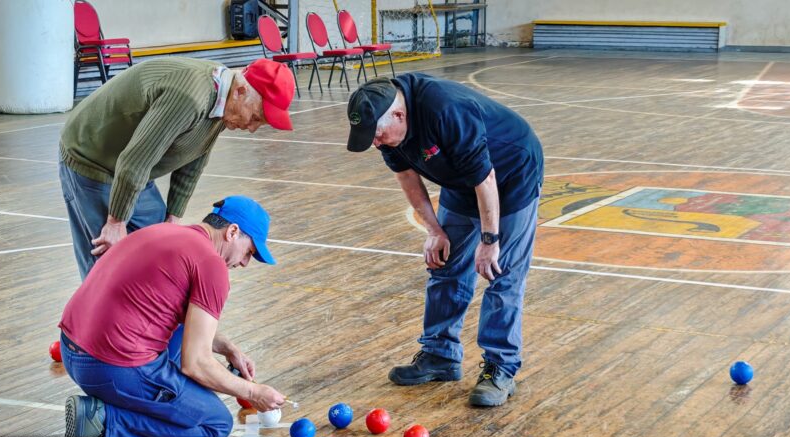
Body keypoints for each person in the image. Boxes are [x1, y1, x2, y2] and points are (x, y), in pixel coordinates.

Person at [345, 75, 544, 407]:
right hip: (463, 177)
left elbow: (487, 178)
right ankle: (440, 355)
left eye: (378, 135)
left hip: (511, 177)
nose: (376, 143)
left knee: (500, 272)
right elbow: (407, 177)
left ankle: (500, 368)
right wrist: (434, 230)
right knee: (445, 262)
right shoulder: (388, 131)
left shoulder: (445, 111)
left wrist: (490, 239)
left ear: (398, 115)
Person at [58, 196, 285, 437]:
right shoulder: (211, 265)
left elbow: (170, 313)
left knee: (180, 338)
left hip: (71, 349)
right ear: (232, 232)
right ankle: (102, 422)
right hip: (107, 368)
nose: (246, 263)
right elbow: (196, 364)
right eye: (249, 252)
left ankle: (157, 395)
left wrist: (228, 348)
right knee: (215, 425)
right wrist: (252, 393)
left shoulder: (164, 231)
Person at [59, 57, 296, 279]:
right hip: (93, 156)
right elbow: (135, 161)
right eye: (255, 117)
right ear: (240, 91)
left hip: (133, 166)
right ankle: (95, 319)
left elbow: (195, 158)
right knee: (108, 263)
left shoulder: (225, 104)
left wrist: (173, 217)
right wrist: (115, 222)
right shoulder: (190, 98)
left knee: (160, 245)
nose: (252, 128)